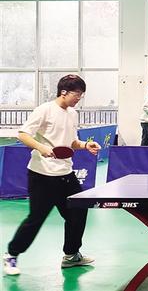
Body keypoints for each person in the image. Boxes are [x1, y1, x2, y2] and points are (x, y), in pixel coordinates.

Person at [3, 75, 101, 276]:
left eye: (81, 95)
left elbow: (72, 142)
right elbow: (23, 134)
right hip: (42, 175)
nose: (79, 98)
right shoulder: (44, 110)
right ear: (63, 92)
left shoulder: (72, 114)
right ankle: (11, 255)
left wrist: (85, 145)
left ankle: (71, 255)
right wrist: (41, 148)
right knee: (36, 218)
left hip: (66, 173)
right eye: (76, 94)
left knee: (78, 212)